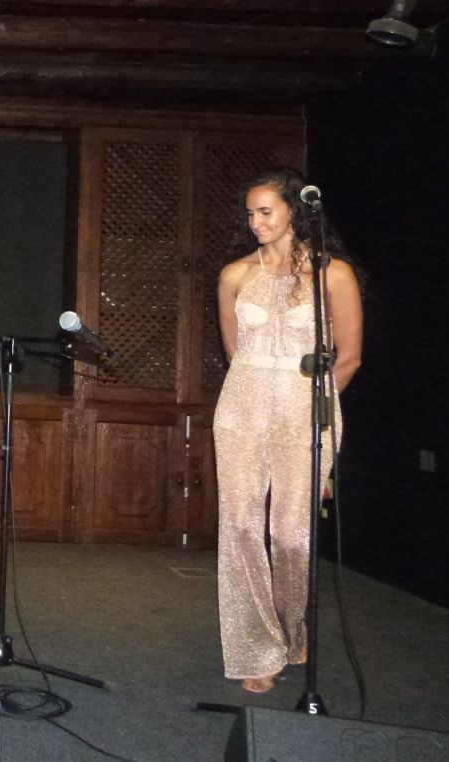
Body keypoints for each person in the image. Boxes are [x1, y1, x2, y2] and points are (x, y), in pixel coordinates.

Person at [213, 169, 362, 694]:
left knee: (291, 535)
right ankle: (257, 649)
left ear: (295, 211)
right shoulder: (233, 275)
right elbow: (236, 353)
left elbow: (349, 356)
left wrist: (314, 405)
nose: (255, 222)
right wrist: (258, 391)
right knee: (242, 529)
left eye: (265, 211)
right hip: (242, 406)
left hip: (306, 406)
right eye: (250, 213)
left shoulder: (333, 276)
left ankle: (291, 629)